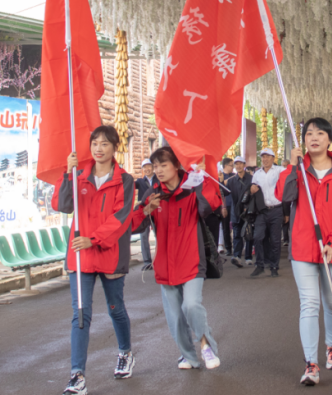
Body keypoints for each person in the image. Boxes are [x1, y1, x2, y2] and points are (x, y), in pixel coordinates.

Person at [52, 125, 136, 395]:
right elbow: (62, 205)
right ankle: (77, 375)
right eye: (95, 143)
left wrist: (95, 239)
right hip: (80, 256)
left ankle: (125, 353)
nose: (99, 149)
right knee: (81, 314)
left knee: (116, 309)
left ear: (114, 148)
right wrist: (67, 174)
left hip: (110, 253)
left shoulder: (125, 180)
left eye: (105, 144)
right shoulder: (78, 175)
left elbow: (120, 218)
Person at [277, 118, 332, 386]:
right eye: (309, 133)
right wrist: (291, 166)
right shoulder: (298, 169)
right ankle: (311, 364)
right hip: (302, 247)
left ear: (329, 140)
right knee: (309, 304)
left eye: (319, 133)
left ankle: (331, 347)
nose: (313, 137)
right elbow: (284, 196)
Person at [132, 147, 223, 370]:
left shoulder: (192, 188)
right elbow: (133, 225)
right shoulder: (153, 194)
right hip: (165, 266)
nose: (159, 170)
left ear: (177, 166)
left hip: (192, 260)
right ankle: (189, 357)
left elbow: (211, 205)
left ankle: (206, 346)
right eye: (155, 166)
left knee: (191, 305)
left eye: (164, 165)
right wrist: (145, 210)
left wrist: (202, 179)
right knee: (175, 319)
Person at [249, 148, 286, 277]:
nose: (265, 159)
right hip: (261, 211)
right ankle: (259, 265)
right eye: (263, 157)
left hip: (276, 209)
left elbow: (289, 177)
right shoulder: (257, 174)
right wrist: (251, 189)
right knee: (258, 237)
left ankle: (274, 266)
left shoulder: (280, 171)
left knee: (275, 240)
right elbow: (252, 189)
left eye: (267, 157)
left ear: (273, 158)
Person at [225, 156, 253, 267]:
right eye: (236, 164)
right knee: (236, 235)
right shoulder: (231, 181)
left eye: (240, 163)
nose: (238, 166)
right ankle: (236, 256)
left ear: (244, 165)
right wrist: (221, 181)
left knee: (248, 234)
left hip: (248, 211)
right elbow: (224, 193)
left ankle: (248, 257)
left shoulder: (251, 179)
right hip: (236, 212)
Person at [135, 158, 156, 271]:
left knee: (159, 235)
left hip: (157, 209)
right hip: (144, 211)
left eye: (148, 166)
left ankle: (159, 259)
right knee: (143, 235)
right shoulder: (140, 181)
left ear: (153, 167)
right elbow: (130, 186)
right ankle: (147, 261)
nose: (146, 169)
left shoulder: (159, 179)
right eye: (144, 167)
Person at [209, 158, 233, 257]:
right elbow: (220, 193)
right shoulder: (215, 177)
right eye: (231, 165)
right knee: (223, 227)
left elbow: (226, 192)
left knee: (232, 226)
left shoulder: (232, 176)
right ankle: (223, 247)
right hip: (219, 207)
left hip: (230, 205)